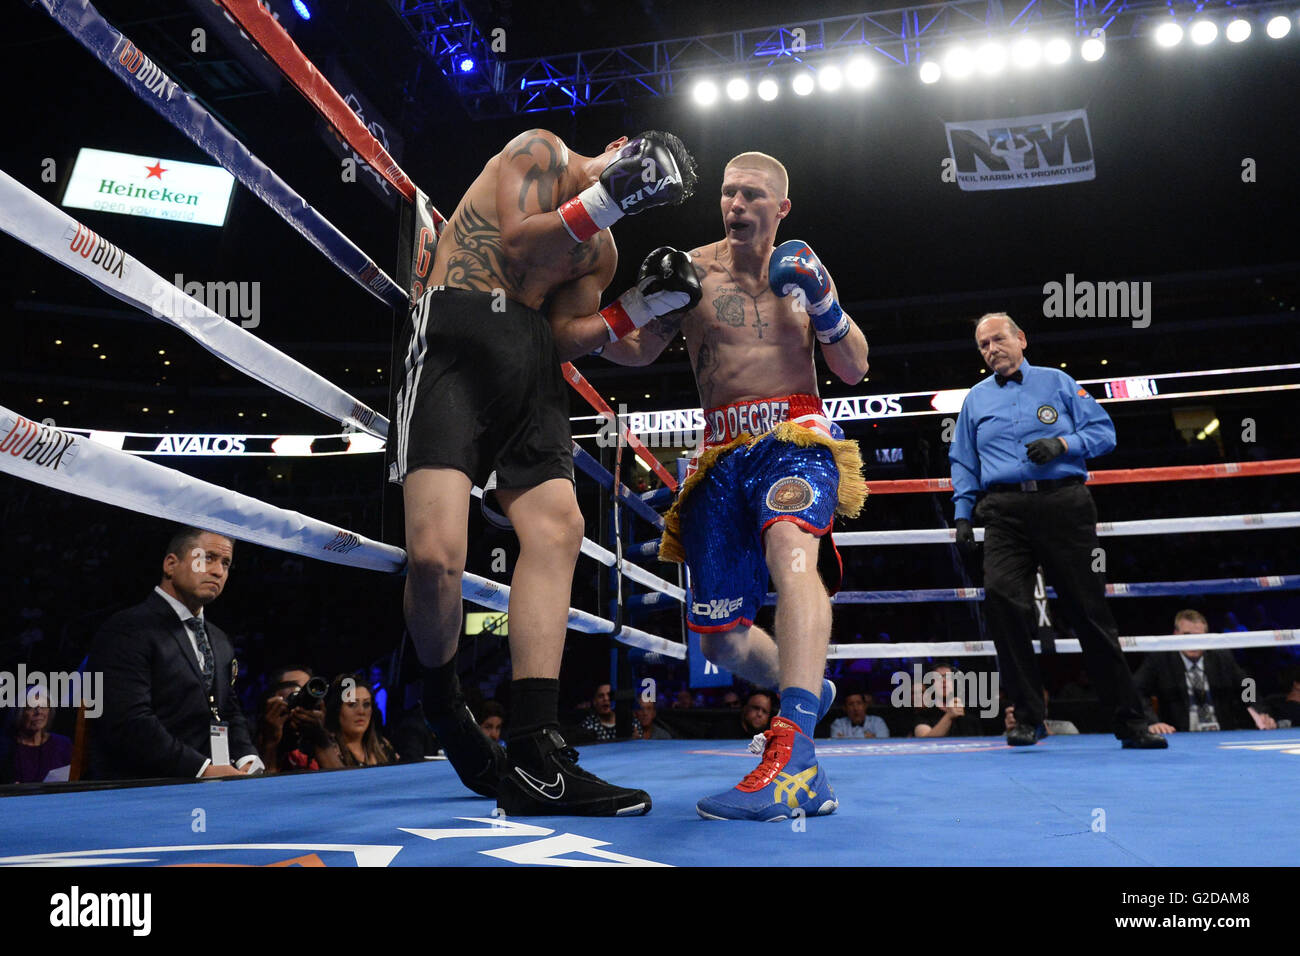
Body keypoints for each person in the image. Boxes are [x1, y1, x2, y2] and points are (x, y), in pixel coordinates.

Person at [388, 127, 700, 816]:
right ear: (620, 146)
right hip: (453, 332)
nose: (633, 191)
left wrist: (641, 309)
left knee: (560, 526)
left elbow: (568, 335)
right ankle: (440, 699)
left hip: (529, 357)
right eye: (633, 170)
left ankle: (537, 752)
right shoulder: (541, 152)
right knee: (435, 558)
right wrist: (614, 192)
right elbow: (523, 242)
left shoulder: (602, 246)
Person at [602, 151, 868, 820]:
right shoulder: (692, 271)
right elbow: (633, 351)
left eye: (752, 196)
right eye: (728, 194)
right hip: (720, 455)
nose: (736, 205)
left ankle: (796, 755)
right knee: (720, 641)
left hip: (796, 439)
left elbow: (855, 366)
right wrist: (621, 303)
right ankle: (806, 692)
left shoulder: (803, 269)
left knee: (792, 549)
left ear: (781, 209)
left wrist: (826, 303)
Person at [949, 313, 1167, 749]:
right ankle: (1028, 718)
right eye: (983, 345)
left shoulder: (1058, 383)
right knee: (1002, 602)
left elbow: (1104, 432)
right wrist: (962, 514)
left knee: (1088, 610)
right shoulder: (975, 399)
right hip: (1004, 510)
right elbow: (964, 460)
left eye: (998, 340)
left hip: (1063, 503)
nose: (992, 349)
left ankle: (1130, 721)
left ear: (1021, 339)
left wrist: (1064, 445)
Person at [87, 528, 264, 780]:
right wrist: (202, 769)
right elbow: (129, 722)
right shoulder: (127, 629)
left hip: (210, 787)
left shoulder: (220, 640)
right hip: (143, 789)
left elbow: (228, 709)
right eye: (208, 558)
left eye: (225, 563)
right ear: (171, 564)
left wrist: (248, 757)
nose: (218, 571)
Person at [1135, 610, 1278, 733]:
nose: (1192, 641)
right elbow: (1137, 690)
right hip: (1179, 733)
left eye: (1198, 636)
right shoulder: (1161, 658)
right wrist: (1153, 722)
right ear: (1175, 634)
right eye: (1186, 635)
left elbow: (1247, 684)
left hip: (1222, 733)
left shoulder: (1221, 656)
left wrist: (1259, 711)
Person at [323, 675, 398, 768]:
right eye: (352, 704)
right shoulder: (327, 750)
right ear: (337, 710)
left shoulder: (383, 746)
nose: (361, 712)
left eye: (366, 704)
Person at [5, 686, 73, 783]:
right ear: (19, 712)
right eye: (31, 707)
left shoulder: (63, 744)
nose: (39, 712)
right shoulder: (6, 748)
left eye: (44, 706)